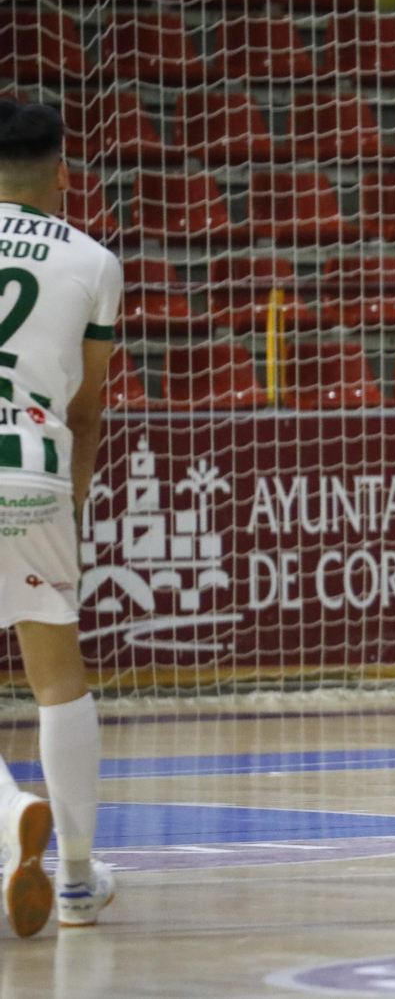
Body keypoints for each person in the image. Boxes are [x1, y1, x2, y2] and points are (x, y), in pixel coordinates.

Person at [0, 100, 119, 935]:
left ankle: (13, 817)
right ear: (64, 175)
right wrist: (70, 497)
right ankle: (77, 880)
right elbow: (86, 408)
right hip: (33, 468)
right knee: (57, 677)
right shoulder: (93, 260)